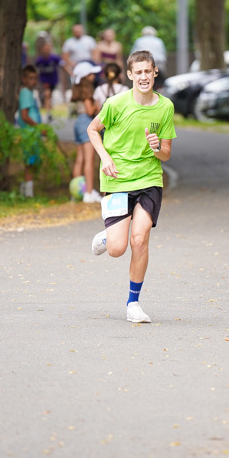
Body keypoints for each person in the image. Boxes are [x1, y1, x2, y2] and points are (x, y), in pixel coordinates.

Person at [87, 50, 177, 324]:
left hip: (149, 180)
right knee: (117, 248)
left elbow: (166, 154)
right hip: (117, 180)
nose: (143, 77)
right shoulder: (115, 104)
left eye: (147, 71)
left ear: (155, 72)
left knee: (139, 239)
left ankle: (133, 303)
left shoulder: (165, 107)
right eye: (138, 72)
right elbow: (93, 130)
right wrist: (105, 158)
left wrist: (157, 148)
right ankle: (107, 237)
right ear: (130, 76)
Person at [71, 62, 104, 204]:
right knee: (89, 160)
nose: (93, 76)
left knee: (80, 159)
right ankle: (89, 193)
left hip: (78, 122)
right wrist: (98, 105)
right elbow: (90, 110)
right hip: (86, 122)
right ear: (85, 77)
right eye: (90, 74)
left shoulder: (77, 89)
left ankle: (75, 191)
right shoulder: (87, 91)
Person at [17, 65, 44, 198]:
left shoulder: (29, 93)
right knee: (30, 162)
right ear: (24, 79)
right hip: (29, 133)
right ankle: (28, 193)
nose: (33, 81)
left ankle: (25, 189)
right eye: (30, 78)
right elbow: (24, 115)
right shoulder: (26, 93)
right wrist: (38, 127)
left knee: (32, 162)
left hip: (32, 133)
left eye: (35, 78)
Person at [35, 41, 63, 122]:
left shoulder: (54, 58)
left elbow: (62, 65)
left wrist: (71, 73)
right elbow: (35, 69)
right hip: (44, 81)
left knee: (49, 96)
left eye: (48, 48)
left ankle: (49, 110)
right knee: (47, 94)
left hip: (53, 80)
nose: (47, 50)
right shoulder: (39, 60)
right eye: (45, 48)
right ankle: (48, 113)